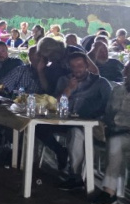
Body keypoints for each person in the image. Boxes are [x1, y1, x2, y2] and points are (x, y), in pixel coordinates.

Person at [48, 52, 112, 191]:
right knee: (38, 127)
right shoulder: (64, 80)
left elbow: (110, 107)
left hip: (89, 124)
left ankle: (75, 177)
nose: (77, 69)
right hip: (64, 120)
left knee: (76, 132)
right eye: (73, 66)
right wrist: (69, 89)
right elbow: (53, 105)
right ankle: (60, 151)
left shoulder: (100, 83)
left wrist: (96, 118)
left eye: (80, 65)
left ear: (87, 66)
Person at [93, 61, 130, 204]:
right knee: (85, 131)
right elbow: (108, 111)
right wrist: (103, 123)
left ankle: (109, 191)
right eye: (128, 70)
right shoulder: (117, 90)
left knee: (115, 142)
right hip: (113, 130)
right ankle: (77, 176)